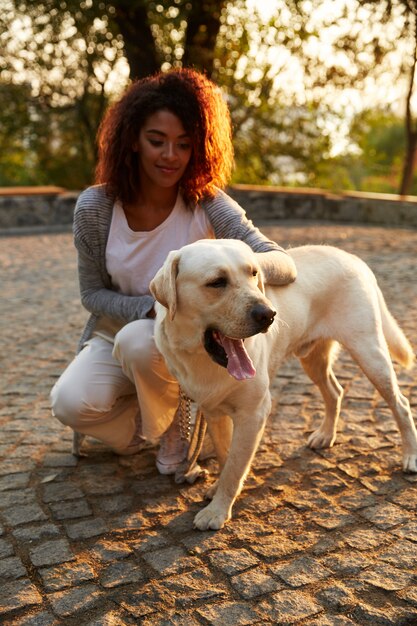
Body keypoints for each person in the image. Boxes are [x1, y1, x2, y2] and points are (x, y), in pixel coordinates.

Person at [50, 68, 297, 474]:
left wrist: (243, 272)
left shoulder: (208, 203)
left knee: (140, 342)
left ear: (197, 147)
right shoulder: (96, 207)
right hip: (118, 329)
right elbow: (91, 295)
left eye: (183, 144)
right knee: (70, 403)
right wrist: (152, 308)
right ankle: (147, 427)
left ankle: (176, 430)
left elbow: (282, 263)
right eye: (157, 141)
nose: (170, 156)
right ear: (132, 140)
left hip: (190, 341)